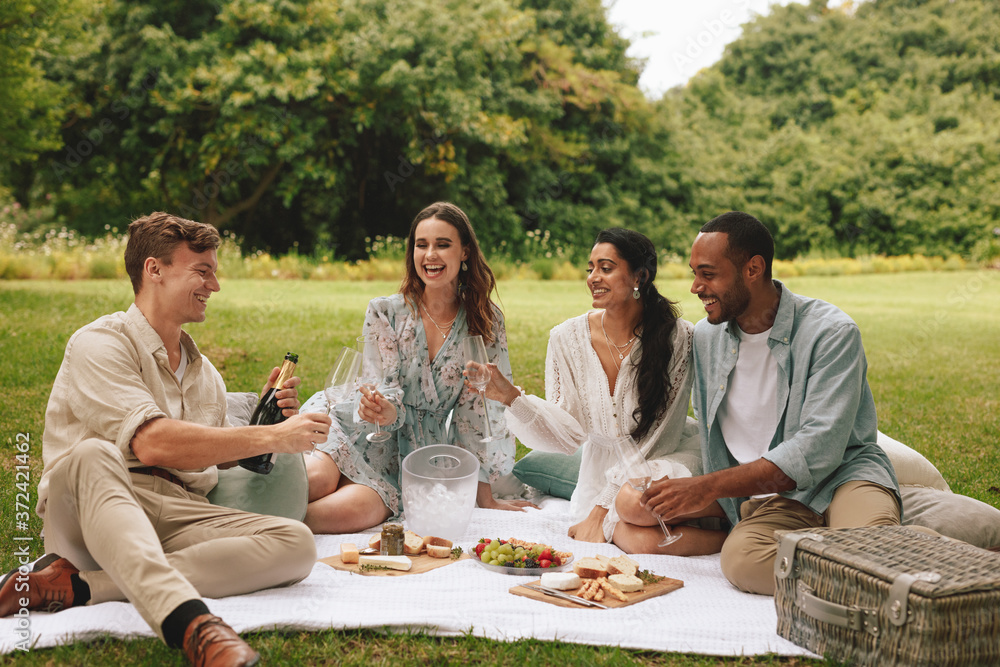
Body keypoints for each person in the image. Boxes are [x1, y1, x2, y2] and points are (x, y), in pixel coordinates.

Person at [0, 212, 332, 666]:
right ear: (153, 269)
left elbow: (208, 455)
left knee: (296, 544)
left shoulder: (205, 375)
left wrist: (267, 429)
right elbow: (153, 444)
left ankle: (74, 586)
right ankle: (193, 624)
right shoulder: (98, 342)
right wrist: (271, 433)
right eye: (202, 270)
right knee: (94, 453)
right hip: (91, 507)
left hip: (177, 511)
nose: (214, 285)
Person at [640, 211, 901, 595]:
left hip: (844, 477)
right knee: (741, 562)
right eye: (695, 273)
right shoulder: (707, 340)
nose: (696, 286)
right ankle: (861, 576)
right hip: (780, 501)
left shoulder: (832, 333)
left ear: (753, 268)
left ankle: (871, 563)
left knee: (872, 549)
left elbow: (819, 450)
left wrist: (706, 487)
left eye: (708, 274)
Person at [480, 228, 728, 556]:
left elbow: (658, 437)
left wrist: (602, 508)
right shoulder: (565, 338)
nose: (594, 277)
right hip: (599, 475)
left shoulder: (678, 337)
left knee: (634, 501)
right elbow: (566, 438)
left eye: (606, 268)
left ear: (639, 276)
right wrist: (513, 398)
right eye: (591, 268)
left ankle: (730, 509)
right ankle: (729, 537)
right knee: (636, 541)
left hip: (661, 460)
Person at [303, 201, 536, 534]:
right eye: (421, 245)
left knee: (348, 514)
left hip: (408, 454)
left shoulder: (485, 322)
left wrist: (486, 498)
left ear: (465, 252)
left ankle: (255, 523)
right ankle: (229, 515)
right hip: (357, 423)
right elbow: (378, 384)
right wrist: (383, 409)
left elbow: (479, 412)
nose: (430, 255)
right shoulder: (385, 311)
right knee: (316, 481)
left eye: (443, 244)